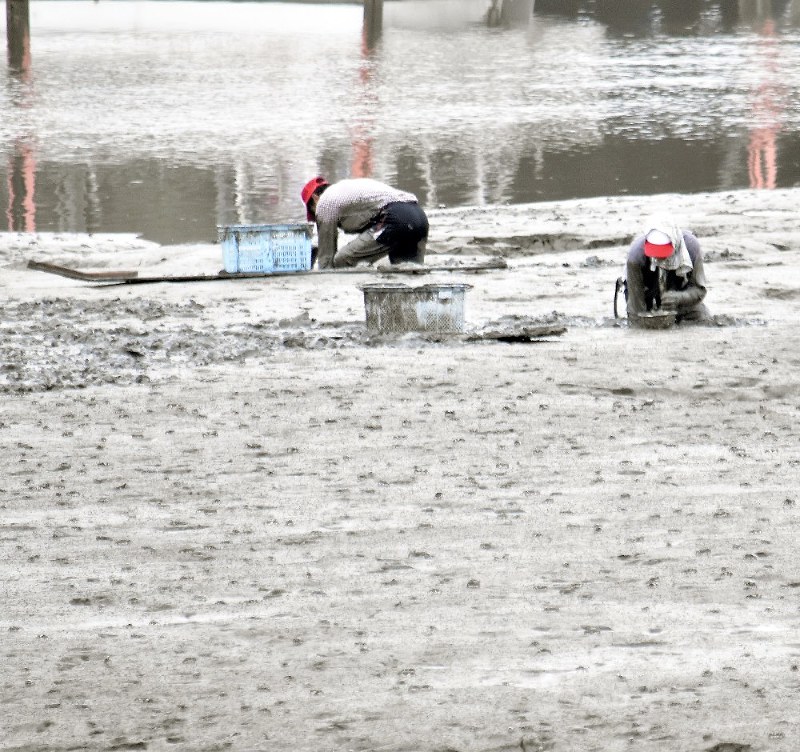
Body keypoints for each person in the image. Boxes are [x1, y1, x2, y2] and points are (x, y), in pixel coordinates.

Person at [300, 176, 428, 269]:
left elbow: (326, 262)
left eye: (313, 212)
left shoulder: (324, 202)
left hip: (395, 220)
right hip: (419, 217)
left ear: (315, 198)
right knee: (408, 270)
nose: (318, 217)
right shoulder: (345, 190)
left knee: (342, 260)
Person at [624, 219, 709, 326]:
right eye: (655, 252)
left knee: (702, 319)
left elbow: (699, 290)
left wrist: (679, 297)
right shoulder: (636, 257)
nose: (659, 259)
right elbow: (636, 309)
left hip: (682, 297)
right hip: (648, 292)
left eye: (663, 253)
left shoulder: (691, 248)